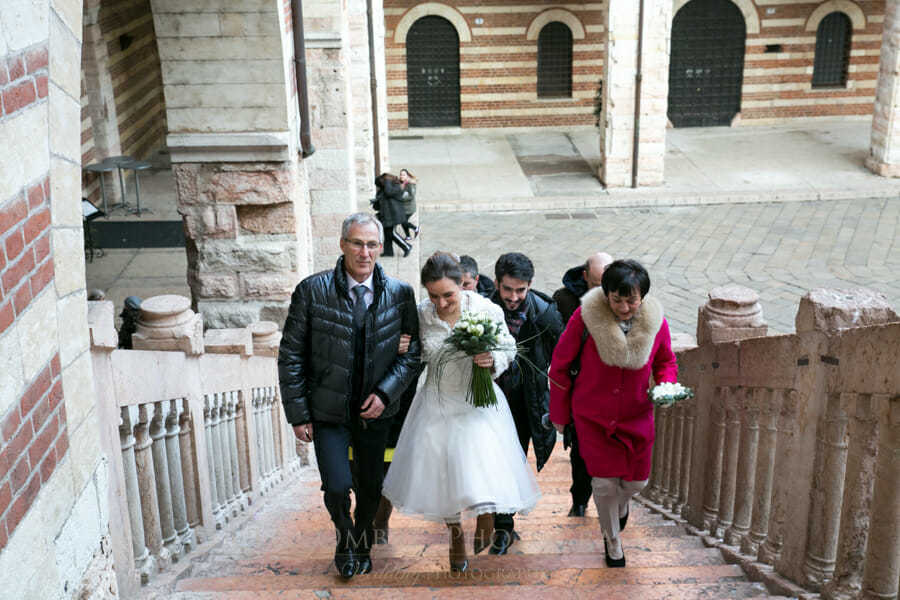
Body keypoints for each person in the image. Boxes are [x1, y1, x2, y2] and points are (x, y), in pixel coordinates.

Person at [278, 213, 421, 579]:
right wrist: (298, 413)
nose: (365, 252)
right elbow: (291, 354)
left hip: (377, 414)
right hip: (328, 411)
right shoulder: (312, 291)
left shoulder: (401, 294)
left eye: (372, 244)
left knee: (372, 486)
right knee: (339, 485)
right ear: (342, 245)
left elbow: (412, 355)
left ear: (380, 248)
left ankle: (362, 541)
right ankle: (344, 535)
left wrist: (386, 395)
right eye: (357, 243)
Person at [382, 252, 540, 573]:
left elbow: (508, 347)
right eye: (434, 296)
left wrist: (492, 359)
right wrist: (399, 346)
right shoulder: (421, 314)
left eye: (448, 295)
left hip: (477, 403)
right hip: (437, 403)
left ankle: (485, 515)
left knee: (480, 464)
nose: (441, 303)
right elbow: (412, 351)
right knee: (445, 474)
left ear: (463, 285)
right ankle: (455, 535)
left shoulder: (485, 309)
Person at [548, 259, 677, 568]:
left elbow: (665, 362)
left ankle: (621, 509)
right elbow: (560, 366)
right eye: (616, 299)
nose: (623, 306)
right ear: (605, 295)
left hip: (637, 416)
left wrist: (667, 385)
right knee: (604, 485)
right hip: (593, 416)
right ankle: (612, 541)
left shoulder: (655, 322)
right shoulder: (585, 317)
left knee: (635, 484)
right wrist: (560, 416)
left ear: (642, 296)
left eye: (630, 299)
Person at [489, 252, 564, 554]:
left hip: (525, 402)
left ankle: (503, 526)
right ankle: (496, 521)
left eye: (521, 290)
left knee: (513, 460)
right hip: (488, 399)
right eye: (507, 289)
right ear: (497, 283)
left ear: (530, 285)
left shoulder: (545, 313)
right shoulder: (483, 307)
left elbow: (563, 359)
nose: (514, 297)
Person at [551, 251, 613, 517]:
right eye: (597, 284)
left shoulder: (621, 297)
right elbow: (559, 351)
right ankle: (579, 499)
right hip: (581, 387)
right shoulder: (564, 301)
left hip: (613, 387)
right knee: (581, 450)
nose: (603, 291)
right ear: (585, 276)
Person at [373, 173, 411, 258]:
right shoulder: (384, 189)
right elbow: (379, 202)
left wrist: (387, 181)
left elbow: (389, 193)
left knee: (391, 233)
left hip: (393, 215)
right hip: (386, 215)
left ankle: (407, 247)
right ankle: (388, 251)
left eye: (380, 185)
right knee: (387, 233)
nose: (379, 187)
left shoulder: (394, 187)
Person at [398, 168, 419, 240]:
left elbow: (411, 196)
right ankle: (408, 236)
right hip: (403, 208)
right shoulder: (401, 183)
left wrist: (401, 198)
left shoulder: (410, 184)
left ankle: (415, 228)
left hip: (409, 208)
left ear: (407, 176)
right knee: (403, 222)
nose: (401, 176)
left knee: (402, 221)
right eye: (401, 174)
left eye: (403, 175)